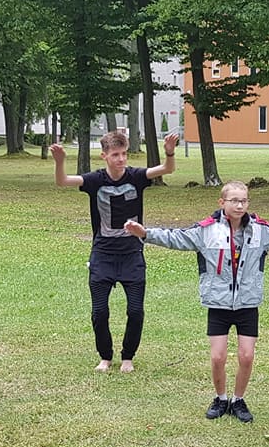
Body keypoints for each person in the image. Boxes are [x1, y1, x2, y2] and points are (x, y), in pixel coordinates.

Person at [125, 182, 269, 423]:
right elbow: (176, 237)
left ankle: (238, 400)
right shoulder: (206, 230)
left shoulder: (260, 230)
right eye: (234, 200)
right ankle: (220, 398)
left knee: (246, 356)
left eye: (244, 201)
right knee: (218, 358)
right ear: (222, 202)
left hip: (248, 304)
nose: (239, 205)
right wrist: (145, 233)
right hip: (218, 304)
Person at [52, 129, 180, 373]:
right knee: (100, 312)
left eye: (124, 154)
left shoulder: (136, 177)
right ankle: (105, 357)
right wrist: (60, 162)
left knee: (136, 311)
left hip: (132, 256)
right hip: (103, 256)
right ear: (104, 156)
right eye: (115, 155)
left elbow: (167, 169)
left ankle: (128, 357)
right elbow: (63, 181)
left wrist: (170, 153)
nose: (121, 159)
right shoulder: (95, 180)